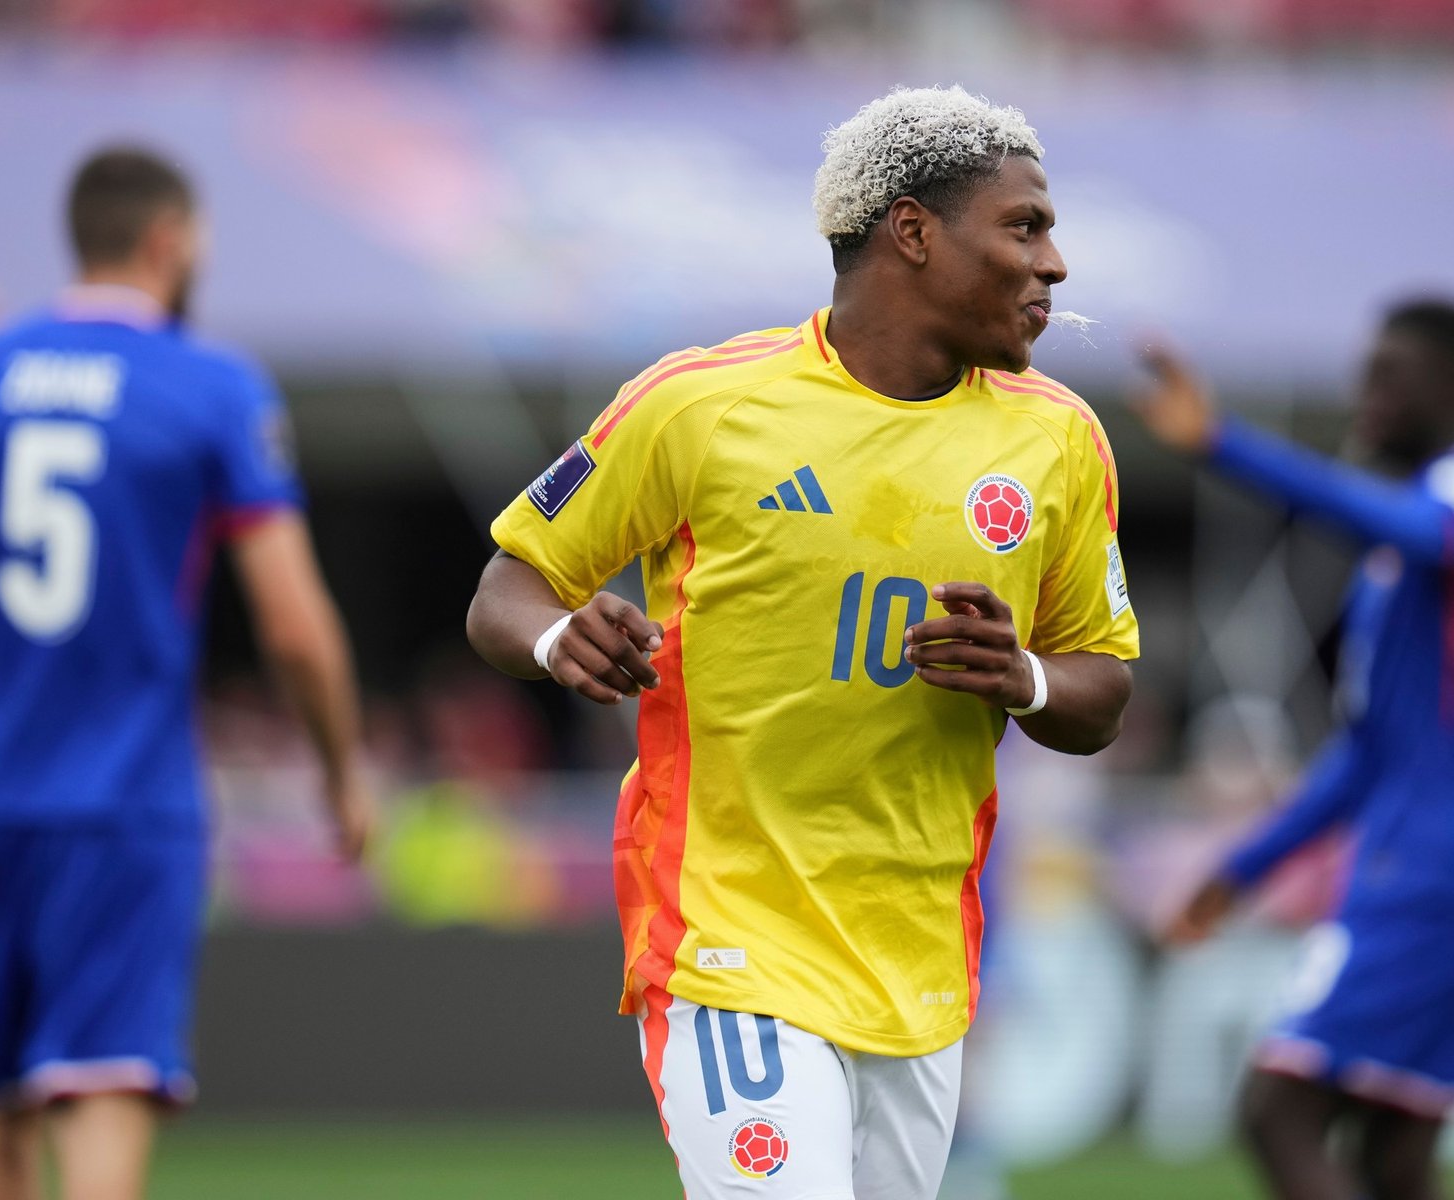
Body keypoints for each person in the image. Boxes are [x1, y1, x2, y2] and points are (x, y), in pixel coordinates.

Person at [467, 85, 1139, 1199]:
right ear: (913, 232)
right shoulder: (700, 405)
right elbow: (511, 586)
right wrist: (553, 643)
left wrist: (1020, 676)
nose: (1054, 264)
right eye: (1023, 227)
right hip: (729, 934)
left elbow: (1102, 686)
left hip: (915, 956)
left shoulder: (1059, 441)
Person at [0, 147, 373, 1200]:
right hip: (124, 803)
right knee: (104, 1097)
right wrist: (340, 771)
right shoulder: (209, 385)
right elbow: (293, 626)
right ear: (168, 240)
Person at [1137, 300, 1454, 1200]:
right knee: (1396, 1160)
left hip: (1433, 872)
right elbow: (1367, 757)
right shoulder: (1409, 558)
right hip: (1452, 863)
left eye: (1390, 378)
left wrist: (1221, 444)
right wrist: (1239, 872)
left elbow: (1398, 522)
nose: (1367, 399)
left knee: (1277, 1113)